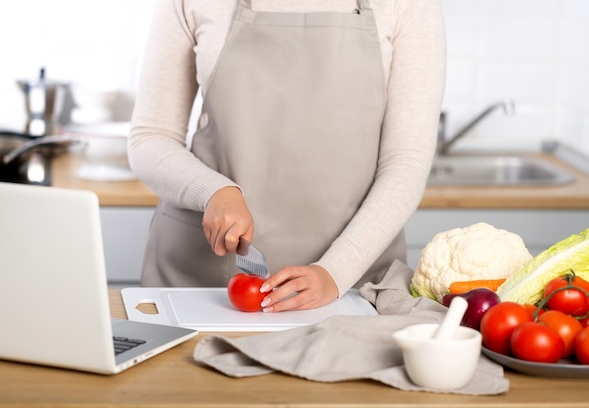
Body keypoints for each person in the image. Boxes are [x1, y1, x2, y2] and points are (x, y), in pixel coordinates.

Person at [127, 0, 446, 313]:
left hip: (350, 286)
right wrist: (212, 191)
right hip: (204, 282)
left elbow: (406, 162)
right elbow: (150, 137)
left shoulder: (408, 5)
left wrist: (335, 272)